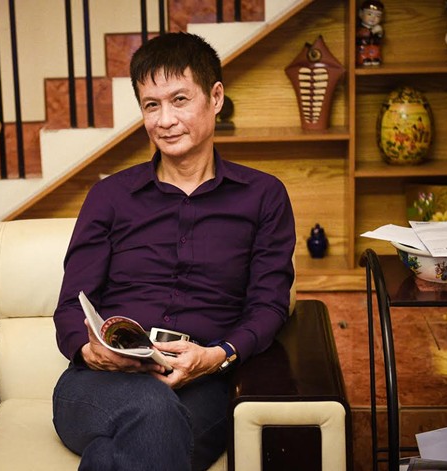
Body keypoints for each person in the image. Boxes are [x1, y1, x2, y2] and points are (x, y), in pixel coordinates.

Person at [52, 32, 295, 471]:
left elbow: (269, 305)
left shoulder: (263, 197)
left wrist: (217, 355)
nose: (165, 120)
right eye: (151, 105)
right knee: (155, 411)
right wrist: (89, 352)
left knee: (127, 446)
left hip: (201, 383)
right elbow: (72, 303)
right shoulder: (109, 197)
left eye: (179, 100)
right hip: (100, 384)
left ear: (215, 98)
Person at [356, 0, 384, 66]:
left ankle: (375, 58)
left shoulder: (377, 27)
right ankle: (364, 59)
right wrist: (371, 32)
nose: (373, 18)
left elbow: (380, 38)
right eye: (369, 14)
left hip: (374, 45)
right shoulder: (360, 27)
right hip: (363, 46)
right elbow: (360, 34)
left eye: (378, 16)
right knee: (363, 50)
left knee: (375, 50)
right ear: (361, 14)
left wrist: (380, 33)